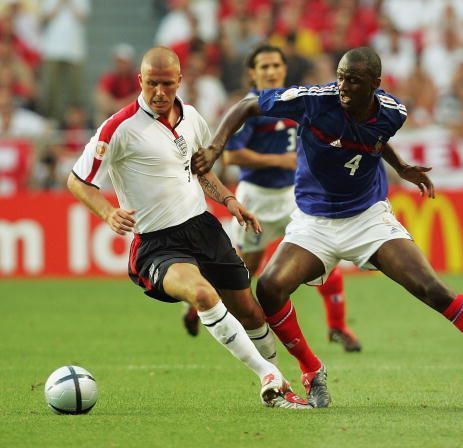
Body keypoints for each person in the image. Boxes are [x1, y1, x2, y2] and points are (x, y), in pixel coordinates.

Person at [192, 46, 463, 408]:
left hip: (367, 218)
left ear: (375, 85)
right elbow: (246, 106)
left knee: (433, 289)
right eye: (341, 76)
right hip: (314, 221)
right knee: (269, 288)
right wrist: (217, 147)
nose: (343, 86)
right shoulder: (314, 101)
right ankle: (312, 370)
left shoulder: (394, 112)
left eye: (354, 81)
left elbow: (377, 138)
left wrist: (401, 167)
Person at [66, 46, 311, 410]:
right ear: (140, 81)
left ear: (180, 81)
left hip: (203, 228)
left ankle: (280, 389)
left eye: (167, 84)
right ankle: (268, 376)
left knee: (251, 312)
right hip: (157, 244)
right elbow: (77, 180)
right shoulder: (118, 128)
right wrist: (106, 213)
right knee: (202, 294)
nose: (160, 93)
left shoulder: (193, 117)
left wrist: (229, 201)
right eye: (152, 84)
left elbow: (201, 169)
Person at [182, 44, 362, 353]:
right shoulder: (249, 107)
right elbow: (235, 155)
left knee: (326, 260)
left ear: (283, 68)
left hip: (295, 196)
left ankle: (338, 327)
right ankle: (202, 300)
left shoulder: (296, 101)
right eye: (263, 66)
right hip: (257, 199)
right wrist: (281, 160)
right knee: (242, 273)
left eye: (275, 65)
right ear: (253, 73)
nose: (271, 71)